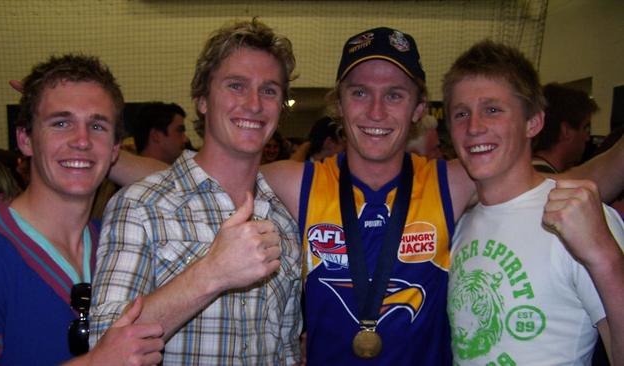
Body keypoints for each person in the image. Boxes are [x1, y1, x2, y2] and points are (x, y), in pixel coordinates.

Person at [261, 27, 624, 365]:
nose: (376, 110)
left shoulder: (450, 184)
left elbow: (529, 187)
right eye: (359, 92)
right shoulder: (294, 183)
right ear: (338, 103)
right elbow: (217, 175)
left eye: (394, 95)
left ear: (419, 108)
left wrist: (602, 243)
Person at [90, 19, 302, 365]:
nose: (253, 104)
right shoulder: (142, 205)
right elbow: (105, 344)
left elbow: (286, 351)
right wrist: (212, 272)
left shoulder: (283, 217)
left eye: (269, 90)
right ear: (202, 100)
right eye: (236, 85)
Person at [0, 54, 165, 365]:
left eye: (98, 126)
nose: (82, 140)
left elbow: (179, 188)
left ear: (116, 148)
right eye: (61, 123)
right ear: (25, 138)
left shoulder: (118, 241)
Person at [444, 40, 624, 365]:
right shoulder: (460, 223)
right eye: (461, 114)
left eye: (492, 109)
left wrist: (605, 257)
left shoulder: (578, 214)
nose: (473, 127)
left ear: (533, 123)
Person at [532, 82, 597, 173]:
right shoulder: (548, 182)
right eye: (585, 128)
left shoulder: (530, 171)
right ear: (566, 131)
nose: (587, 137)